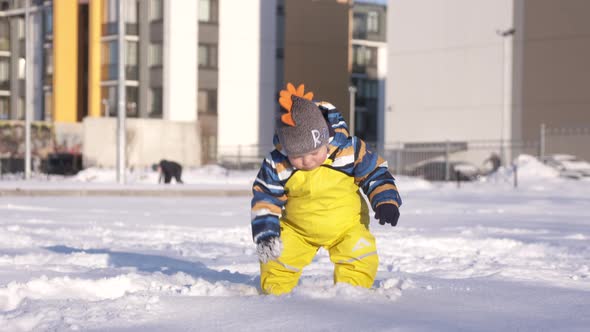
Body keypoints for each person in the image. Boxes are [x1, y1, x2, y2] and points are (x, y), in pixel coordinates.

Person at [251, 83, 402, 295]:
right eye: (297, 156)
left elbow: (375, 172)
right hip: (298, 229)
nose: (306, 161)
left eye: (313, 153)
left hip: (347, 225)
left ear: (324, 138)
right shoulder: (278, 164)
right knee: (278, 259)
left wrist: (386, 200)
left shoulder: (349, 151)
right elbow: (265, 198)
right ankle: (277, 299)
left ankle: (352, 294)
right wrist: (266, 234)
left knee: (359, 255)